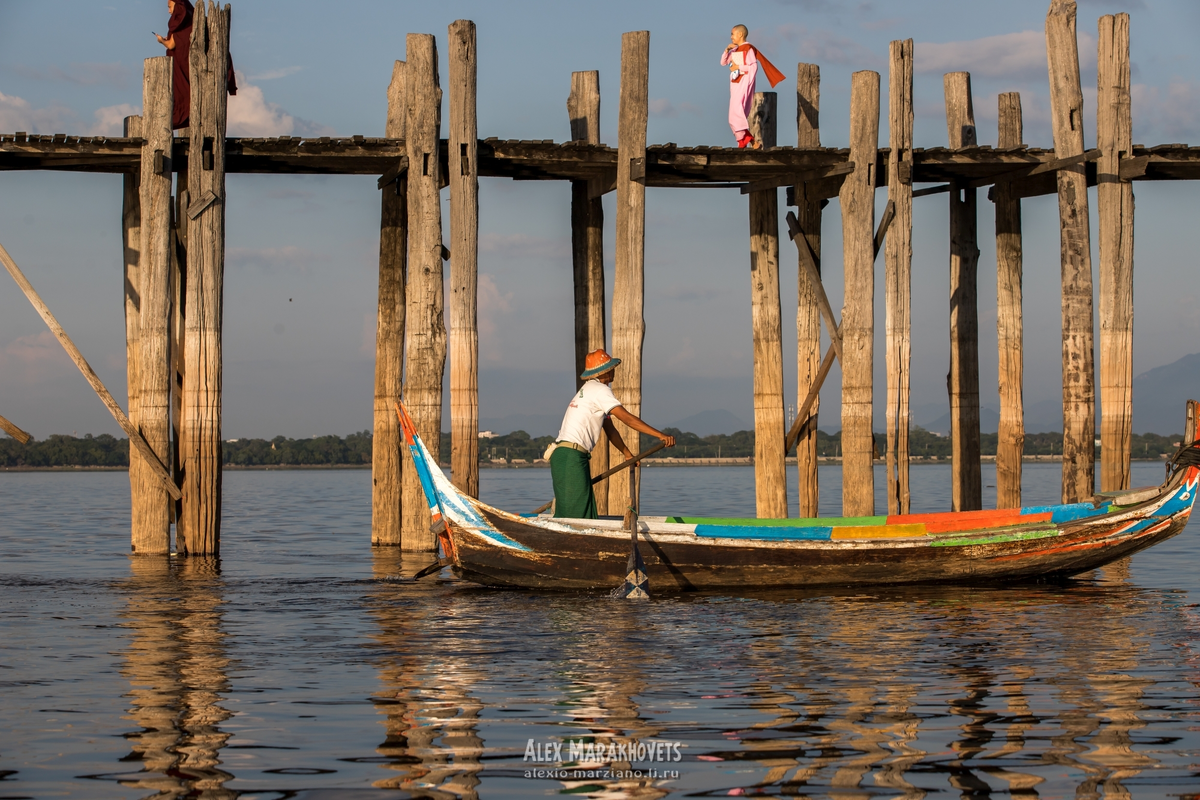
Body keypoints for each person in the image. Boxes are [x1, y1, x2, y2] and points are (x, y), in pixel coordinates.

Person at [548, 349, 676, 520]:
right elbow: (627, 419)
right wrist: (660, 435)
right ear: (606, 372)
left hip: (562, 456)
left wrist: (626, 453)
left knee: (572, 512)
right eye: (611, 368)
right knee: (578, 516)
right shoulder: (600, 390)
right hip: (572, 457)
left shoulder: (588, 389)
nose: (614, 370)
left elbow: (610, 430)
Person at [155, 0, 237, 130]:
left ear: (177, 6)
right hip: (196, 66)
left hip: (183, 66)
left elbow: (171, 44)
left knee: (183, 94)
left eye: (170, 7)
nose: (169, 11)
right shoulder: (193, 20)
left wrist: (161, 41)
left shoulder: (181, 21)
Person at [720, 25, 785, 149]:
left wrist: (738, 67)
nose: (731, 37)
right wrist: (726, 50)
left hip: (743, 82)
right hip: (735, 84)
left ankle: (744, 141)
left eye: (732, 34)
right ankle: (751, 141)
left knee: (736, 114)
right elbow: (723, 62)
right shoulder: (735, 50)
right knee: (732, 116)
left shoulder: (748, 48)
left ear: (740, 34)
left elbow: (753, 67)